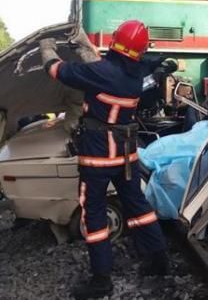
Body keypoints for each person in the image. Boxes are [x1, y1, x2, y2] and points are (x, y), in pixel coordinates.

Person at [39, 20, 174, 299]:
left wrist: (47, 48)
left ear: (115, 42)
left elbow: (56, 70)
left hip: (98, 156)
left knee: (94, 213)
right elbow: (143, 60)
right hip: (126, 155)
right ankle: (158, 259)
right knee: (138, 205)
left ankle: (101, 280)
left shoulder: (100, 73)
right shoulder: (137, 73)